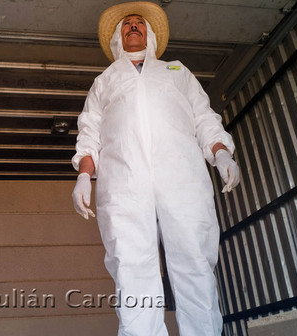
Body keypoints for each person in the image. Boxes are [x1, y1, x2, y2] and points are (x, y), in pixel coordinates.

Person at [71, 2, 240, 336]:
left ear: (148, 34)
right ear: (119, 38)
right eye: (127, 24)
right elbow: (89, 130)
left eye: (139, 23)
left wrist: (221, 153)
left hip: (181, 176)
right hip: (123, 181)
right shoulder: (105, 80)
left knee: (194, 261)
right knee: (131, 267)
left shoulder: (176, 71)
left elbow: (204, 116)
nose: (134, 26)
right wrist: (83, 175)